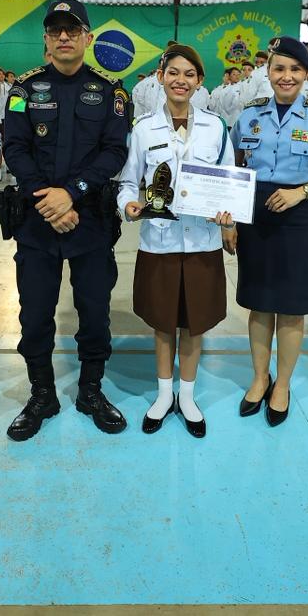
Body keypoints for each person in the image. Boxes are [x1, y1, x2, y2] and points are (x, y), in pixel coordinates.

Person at [2, 0, 131, 441]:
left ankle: (90, 390)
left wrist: (71, 193)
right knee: (34, 313)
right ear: (45, 39)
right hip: (38, 222)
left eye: (72, 30)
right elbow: (15, 148)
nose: (63, 37)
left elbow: (115, 151)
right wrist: (47, 199)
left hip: (90, 220)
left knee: (94, 310)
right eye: (55, 30)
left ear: (87, 39)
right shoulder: (23, 90)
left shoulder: (113, 92)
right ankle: (42, 394)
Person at [231, 37, 308, 427]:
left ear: (307, 74)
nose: (286, 77)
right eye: (279, 68)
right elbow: (234, 170)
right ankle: (258, 377)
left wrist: (301, 192)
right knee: (259, 301)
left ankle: (281, 384)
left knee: (293, 304)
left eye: (294, 69)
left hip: (301, 214)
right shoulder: (248, 114)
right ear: (267, 72)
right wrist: (231, 220)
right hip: (255, 210)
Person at [118, 43, 235, 439]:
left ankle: (187, 396)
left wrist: (227, 215)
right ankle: (163, 394)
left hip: (201, 243)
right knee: (163, 324)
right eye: (173, 73)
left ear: (200, 82)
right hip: (160, 242)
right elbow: (128, 181)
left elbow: (229, 180)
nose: (180, 81)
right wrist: (130, 204)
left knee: (195, 324)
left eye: (189, 75)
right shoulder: (143, 128)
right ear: (160, 77)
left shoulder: (216, 128)